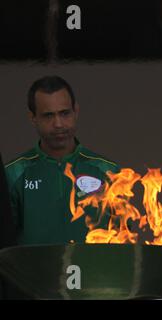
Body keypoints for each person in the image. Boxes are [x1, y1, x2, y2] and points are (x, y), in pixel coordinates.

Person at [4, 76, 120, 245]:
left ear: (76, 111)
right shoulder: (12, 174)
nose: (58, 124)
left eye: (65, 113)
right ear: (33, 118)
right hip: (34, 272)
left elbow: (123, 241)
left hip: (96, 271)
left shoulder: (107, 170)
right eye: (48, 116)